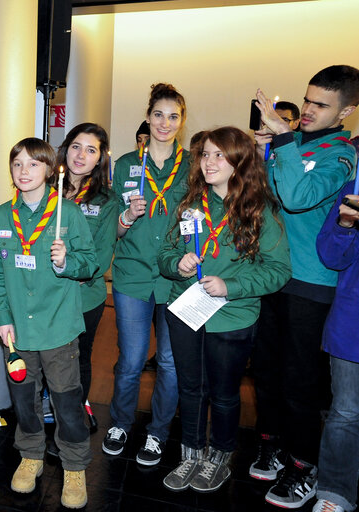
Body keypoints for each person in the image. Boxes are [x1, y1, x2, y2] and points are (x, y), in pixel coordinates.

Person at [158, 127, 291, 493]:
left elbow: (278, 271)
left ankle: (219, 457)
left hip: (232, 317)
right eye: (205, 154)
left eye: (220, 155)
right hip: (186, 312)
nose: (209, 162)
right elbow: (165, 255)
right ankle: (191, 455)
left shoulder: (259, 209)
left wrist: (230, 287)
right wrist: (177, 264)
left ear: (240, 162)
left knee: (224, 393)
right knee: (190, 388)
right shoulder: (190, 205)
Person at [250, 64, 359, 509]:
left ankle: (304, 465)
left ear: (347, 111)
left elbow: (297, 198)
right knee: (267, 372)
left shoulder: (342, 154)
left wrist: (281, 142)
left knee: (300, 380)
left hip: (312, 282)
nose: (308, 110)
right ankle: (274, 445)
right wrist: (261, 155)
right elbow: (268, 196)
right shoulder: (292, 142)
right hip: (273, 271)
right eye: (307, 99)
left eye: (321, 104)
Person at [0, 137, 97, 509]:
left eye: (33, 164)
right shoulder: (1, 216)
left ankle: (74, 464)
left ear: (50, 170)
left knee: (66, 401)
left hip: (58, 328)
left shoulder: (69, 213)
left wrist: (68, 261)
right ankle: (31, 456)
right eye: (17, 164)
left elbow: (91, 262)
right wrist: (2, 319)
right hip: (17, 330)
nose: (24, 172)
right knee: (23, 399)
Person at [106, 83, 189, 466]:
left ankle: (157, 433)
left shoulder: (193, 167)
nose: (165, 123)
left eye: (173, 116)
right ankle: (120, 423)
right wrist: (125, 217)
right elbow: (114, 230)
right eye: (158, 114)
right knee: (132, 358)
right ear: (148, 116)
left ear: (182, 121)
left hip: (178, 281)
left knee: (170, 363)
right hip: (133, 277)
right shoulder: (124, 165)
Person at [52, 123, 117, 423]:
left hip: (84, 294)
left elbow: (101, 256)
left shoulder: (106, 200)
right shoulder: (43, 186)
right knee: (44, 355)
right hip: (43, 292)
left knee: (79, 356)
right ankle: (46, 407)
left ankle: (76, 410)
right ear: (65, 148)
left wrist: (69, 267)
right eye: (76, 146)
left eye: (91, 150)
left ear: (100, 158)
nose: (81, 155)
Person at [313, 179, 359, 512]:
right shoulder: (352, 190)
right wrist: (345, 224)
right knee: (345, 412)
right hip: (353, 322)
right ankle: (335, 491)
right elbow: (330, 256)